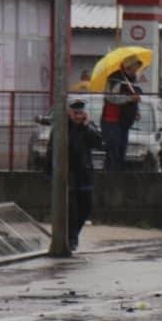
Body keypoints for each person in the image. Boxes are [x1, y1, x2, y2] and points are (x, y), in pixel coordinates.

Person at [63, 97, 104, 249]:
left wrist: (87, 127)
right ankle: (72, 238)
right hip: (68, 173)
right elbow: (52, 149)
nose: (78, 116)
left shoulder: (89, 128)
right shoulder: (63, 127)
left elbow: (98, 142)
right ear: (69, 112)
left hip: (84, 173)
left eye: (80, 113)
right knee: (72, 208)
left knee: (85, 208)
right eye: (75, 113)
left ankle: (73, 235)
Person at [101, 56, 143, 172]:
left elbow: (133, 97)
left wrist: (136, 110)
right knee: (113, 153)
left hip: (124, 122)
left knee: (121, 152)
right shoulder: (114, 79)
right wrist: (130, 99)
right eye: (136, 66)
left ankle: (117, 176)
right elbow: (110, 98)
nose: (137, 69)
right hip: (112, 121)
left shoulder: (133, 79)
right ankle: (110, 177)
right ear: (128, 66)